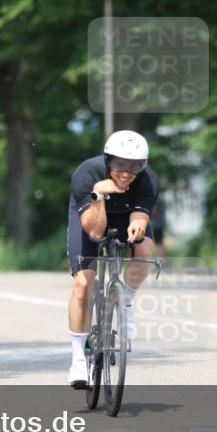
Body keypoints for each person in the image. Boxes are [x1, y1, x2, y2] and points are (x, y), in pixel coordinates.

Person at [65, 130, 158, 389]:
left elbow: (141, 217)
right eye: (119, 164)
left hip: (125, 216)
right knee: (83, 285)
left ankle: (125, 301)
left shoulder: (148, 181)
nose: (127, 172)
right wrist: (98, 194)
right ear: (108, 160)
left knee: (145, 252)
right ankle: (77, 359)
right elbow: (94, 232)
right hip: (93, 214)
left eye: (135, 165)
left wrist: (138, 227)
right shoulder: (87, 173)